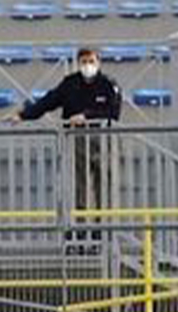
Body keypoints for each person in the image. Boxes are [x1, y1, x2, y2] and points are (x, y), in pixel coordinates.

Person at [7, 46, 122, 220]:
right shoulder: (70, 84)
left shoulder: (109, 85)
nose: (88, 65)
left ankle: (103, 231)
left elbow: (113, 112)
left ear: (99, 63)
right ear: (78, 63)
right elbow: (48, 102)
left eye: (91, 61)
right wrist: (23, 115)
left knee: (104, 187)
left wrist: (86, 116)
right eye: (84, 62)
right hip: (76, 141)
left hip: (103, 141)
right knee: (78, 187)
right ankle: (80, 233)